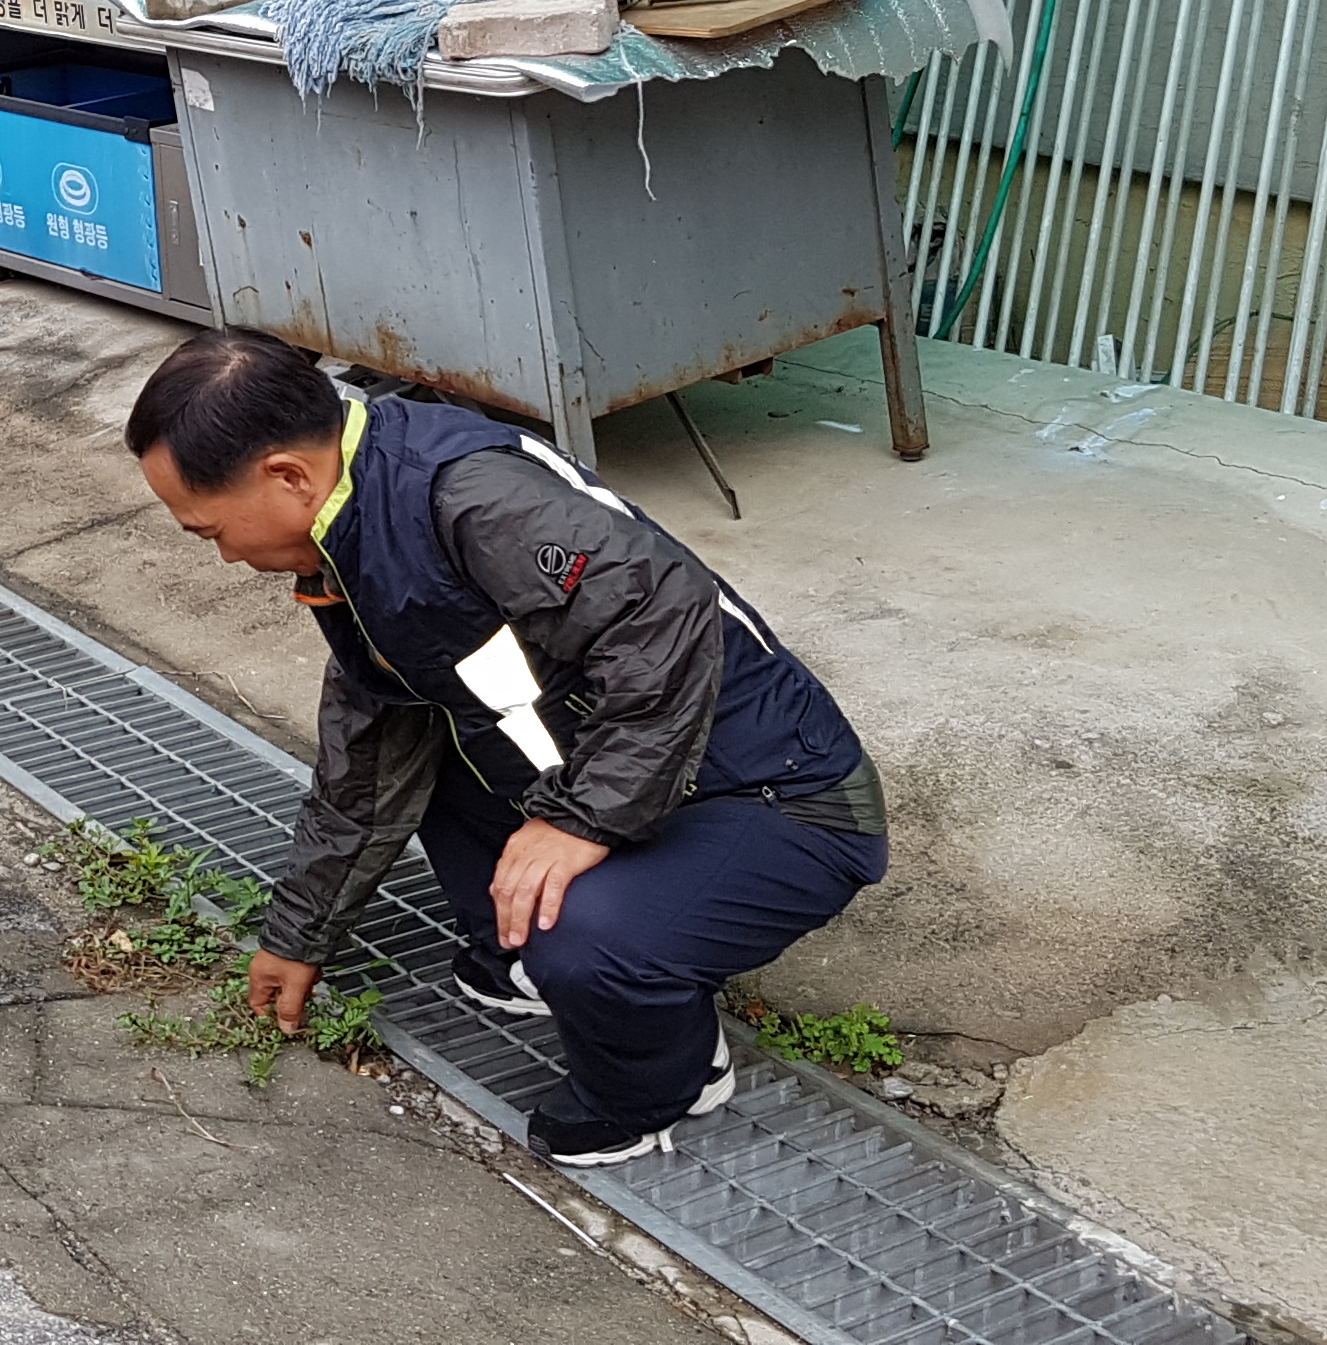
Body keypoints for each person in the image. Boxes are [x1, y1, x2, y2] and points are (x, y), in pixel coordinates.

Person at [123, 328, 886, 1167]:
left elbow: (665, 618)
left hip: (780, 794)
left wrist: (583, 821)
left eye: (210, 531)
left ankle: (662, 1081)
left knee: (586, 942)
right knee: (427, 738)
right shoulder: (352, 524)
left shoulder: (474, 499)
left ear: (288, 477)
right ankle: (517, 946)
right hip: (643, 765)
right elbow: (369, 756)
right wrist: (300, 933)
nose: (225, 554)